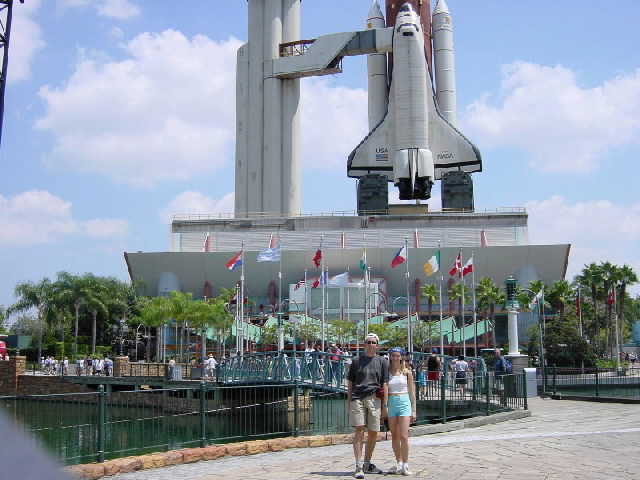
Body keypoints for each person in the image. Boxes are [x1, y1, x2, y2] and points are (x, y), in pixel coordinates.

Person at [347, 333, 388, 479]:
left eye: (373, 343)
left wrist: (385, 405)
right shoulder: (357, 360)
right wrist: (349, 402)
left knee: (373, 431)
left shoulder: (382, 361)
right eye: (369, 342)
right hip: (358, 397)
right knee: (359, 430)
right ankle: (358, 465)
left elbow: (385, 383)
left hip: (374, 398)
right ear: (365, 344)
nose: (371, 345)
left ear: (377, 345)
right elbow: (351, 382)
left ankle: (367, 462)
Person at [386, 347, 416, 476]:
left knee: (404, 436)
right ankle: (398, 462)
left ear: (401, 357)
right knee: (394, 435)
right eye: (393, 355)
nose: (395, 358)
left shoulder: (407, 372)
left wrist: (414, 410)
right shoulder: (386, 371)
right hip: (391, 402)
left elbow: (412, 392)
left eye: (397, 356)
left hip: (404, 402)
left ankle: (405, 464)